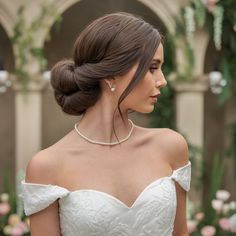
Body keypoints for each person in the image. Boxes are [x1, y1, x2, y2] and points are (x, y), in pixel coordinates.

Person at [21, 12, 191, 236]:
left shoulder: (171, 146)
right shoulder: (46, 166)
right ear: (111, 75)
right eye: (151, 67)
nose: (162, 80)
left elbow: (180, 233)